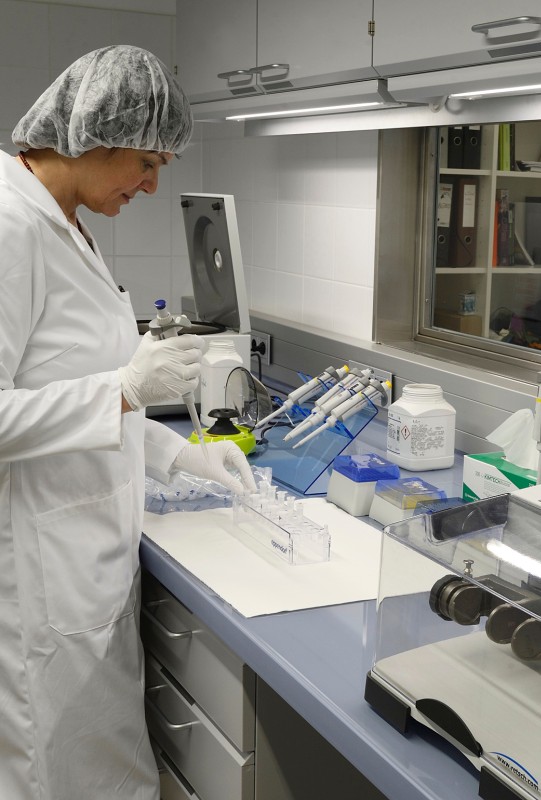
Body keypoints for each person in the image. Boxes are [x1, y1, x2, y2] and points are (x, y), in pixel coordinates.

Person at [0, 45, 257, 799]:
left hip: (86, 555)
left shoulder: (63, 220)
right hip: (42, 574)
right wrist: (122, 387)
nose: (151, 184)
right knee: (60, 775)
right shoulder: (11, 230)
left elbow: (74, 391)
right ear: (89, 135)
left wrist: (183, 458)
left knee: (103, 771)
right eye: (144, 161)